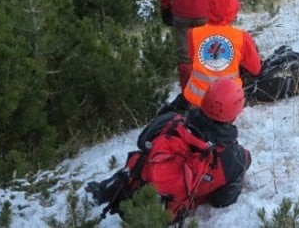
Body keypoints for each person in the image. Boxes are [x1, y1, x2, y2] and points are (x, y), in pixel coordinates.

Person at [86, 78, 251, 222]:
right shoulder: (234, 158)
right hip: (163, 218)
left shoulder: (172, 121)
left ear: (205, 98)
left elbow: (142, 141)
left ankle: (106, 190)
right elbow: (221, 201)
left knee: (142, 158)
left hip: (128, 199)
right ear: (235, 114)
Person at [180, 0, 262, 109]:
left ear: (209, 7)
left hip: (196, 99)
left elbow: (193, 59)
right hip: (227, 102)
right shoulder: (242, 37)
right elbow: (256, 69)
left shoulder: (193, 34)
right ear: (235, 10)